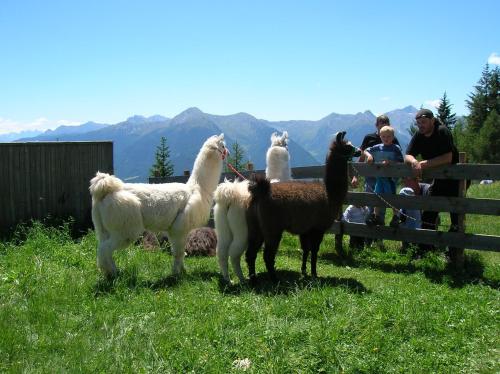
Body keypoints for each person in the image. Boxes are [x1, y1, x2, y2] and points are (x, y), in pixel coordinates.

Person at [404, 108, 460, 255]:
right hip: (439, 180)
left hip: (455, 180)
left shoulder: (442, 131)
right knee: (429, 213)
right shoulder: (419, 135)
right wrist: (414, 161)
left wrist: (423, 164)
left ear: (432, 121)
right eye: (418, 123)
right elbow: (407, 155)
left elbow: (447, 158)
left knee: (456, 215)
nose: (421, 125)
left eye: (424, 122)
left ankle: (453, 252)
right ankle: (426, 251)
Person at [351, 115, 401, 224]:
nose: (385, 137)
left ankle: (379, 237)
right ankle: (369, 238)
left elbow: (398, 159)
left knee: (382, 209)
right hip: (370, 179)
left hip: (387, 178)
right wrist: (355, 176)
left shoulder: (393, 140)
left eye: (386, 126)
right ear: (376, 126)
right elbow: (361, 155)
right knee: (371, 207)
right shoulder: (369, 138)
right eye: (380, 127)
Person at [363, 125, 404, 226]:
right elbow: (365, 150)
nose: (386, 138)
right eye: (384, 136)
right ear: (380, 137)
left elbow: (400, 161)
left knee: (392, 197)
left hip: (390, 179)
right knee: (378, 196)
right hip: (379, 178)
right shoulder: (377, 148)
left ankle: (396, 216)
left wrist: (391, 162)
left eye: (389, 136)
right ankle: (376, 216)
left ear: (393, 137)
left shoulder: (395, 148)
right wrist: (369, 156)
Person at [392, 187, 422, 251]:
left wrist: (395, 212)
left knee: (395, 225)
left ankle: (404, 246)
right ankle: (411, 247)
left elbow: (401, 217)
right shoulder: (416, 205)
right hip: (418, 229)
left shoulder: (404, 206)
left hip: (408, 229)